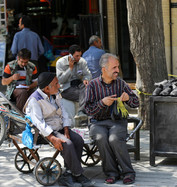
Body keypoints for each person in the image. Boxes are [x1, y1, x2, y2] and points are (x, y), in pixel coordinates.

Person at [23, 72, 95, 187]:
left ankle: (69, 173)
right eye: (56, 84)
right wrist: (52, 138)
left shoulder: (55, 94)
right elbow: (39, 123)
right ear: (47, 88)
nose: (59, 86)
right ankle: (77, 174)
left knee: (78, 140)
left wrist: (66, 129)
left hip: (60, 127)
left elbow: (64, 112)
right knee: (68, 144)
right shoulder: (34, 100)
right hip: (46, 132)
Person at [84, 53, 139, 185]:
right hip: (97, 122)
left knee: (114, 139)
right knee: (101, 138)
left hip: (117, 122)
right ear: (104, 69)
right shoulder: (92, 85)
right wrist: (102, 103)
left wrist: (128, 99)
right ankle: (112, 173)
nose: (117, 70)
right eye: (114, 67)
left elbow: (136, 102)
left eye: (118, 67)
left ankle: (128, 172)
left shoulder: (120, 83)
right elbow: (87, 110)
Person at [56, 44, 92, 121]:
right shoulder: (60, 63)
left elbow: (88, 74)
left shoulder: (82, 61)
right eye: (76, 56)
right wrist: (70, 68)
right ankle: (81, 112)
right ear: (70, 55)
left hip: (79, 85)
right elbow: (61, 80)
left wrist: (86, 79)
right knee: (85, 94)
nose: (79, 58)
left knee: (89, 90)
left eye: (80, 56)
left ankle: (83, 113)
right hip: (66, 88)